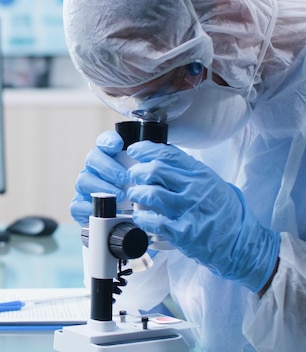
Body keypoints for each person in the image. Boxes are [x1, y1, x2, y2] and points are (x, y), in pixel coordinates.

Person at [62, 0, 306, 351]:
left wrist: (264, 263)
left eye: (160, 94)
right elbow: (144, 296)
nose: (154, 116)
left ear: (228, 18)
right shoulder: (225, 91)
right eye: (129, 97)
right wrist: (118, 235)